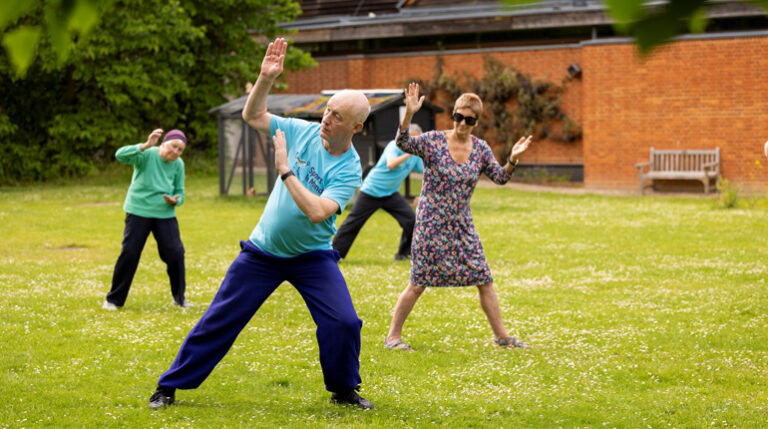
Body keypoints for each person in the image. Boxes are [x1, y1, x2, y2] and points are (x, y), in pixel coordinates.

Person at [147, 38, 373, 410]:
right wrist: (265, 79)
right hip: (262, 252)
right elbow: (252, 117)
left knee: (344, 323)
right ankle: (169, 386)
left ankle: (344, 390)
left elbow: (318, 211)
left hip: (312, 257)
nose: (326, 120)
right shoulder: (302, 130)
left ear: (357, 126)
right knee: (221, 318)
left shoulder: (349, 168)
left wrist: (285, 170)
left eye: (336, 117)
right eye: (328, 110)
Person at [384, 83, 533, 351]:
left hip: (462, 226)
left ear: (476, 121)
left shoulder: (481, 149)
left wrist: (512, 159)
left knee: (483, 277)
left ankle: (502, 337)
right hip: (430, 223)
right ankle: (393, 337)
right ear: (452, 115)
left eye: (468, 119)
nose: (462, 123)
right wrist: (408, 114)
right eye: (458, 117)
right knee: (418, 281)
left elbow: (500, 177)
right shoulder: (434, 141)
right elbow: (402, 142)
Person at [103, 128, 188, 310]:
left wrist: (176, 200)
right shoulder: (147, 154)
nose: (176, 152)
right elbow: (120, 155)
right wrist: (145, 145)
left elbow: (180, 191)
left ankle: (179, 298)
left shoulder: (178, 164)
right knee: (130, 253)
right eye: (174, 146)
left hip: (165, 213)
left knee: (175, 253)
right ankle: (113, 300)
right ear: (163, 143)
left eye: (180, 150)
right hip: (138, 211)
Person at [332, 123, 424, 261]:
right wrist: (408, 153)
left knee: (411, 221)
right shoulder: (394, 146)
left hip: (390, 194)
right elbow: (391, 164)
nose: (415, 143)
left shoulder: (414, 156)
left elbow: (423, 171)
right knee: (352, 224)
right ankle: (333, 255)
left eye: (417, 140)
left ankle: (402, 254)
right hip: (371, 190)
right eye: (413, 139)